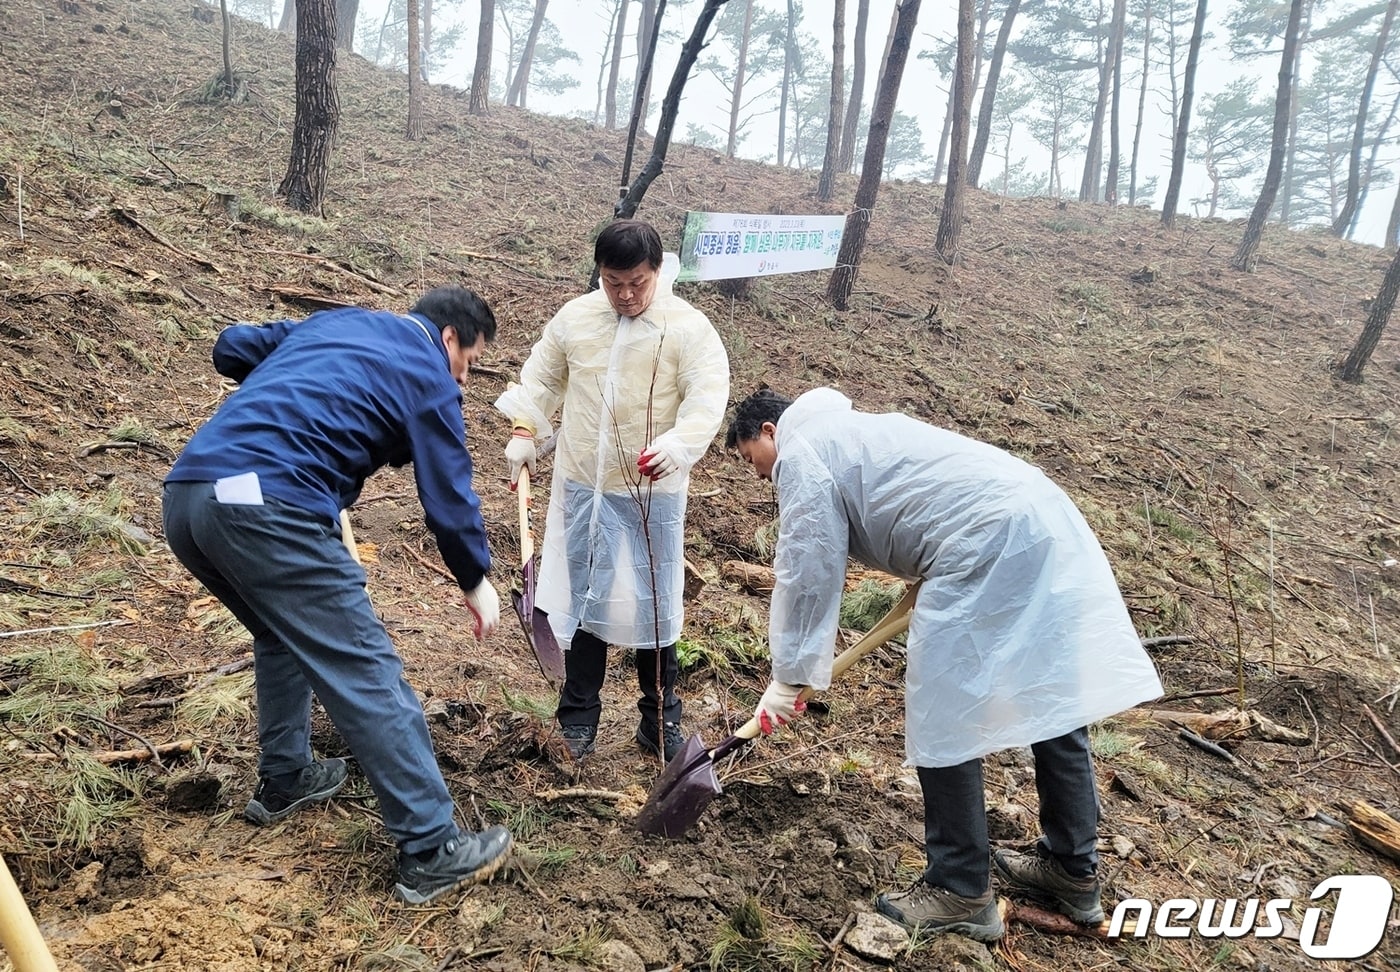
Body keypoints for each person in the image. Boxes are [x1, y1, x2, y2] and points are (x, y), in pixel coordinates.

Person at [726, 387, 1163, 941]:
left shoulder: (802, 450)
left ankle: (959, 887)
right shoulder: (854, 434)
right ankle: (1071, 868)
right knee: (1049, 694)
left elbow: (808, 570)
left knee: (944, 709)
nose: (760, 476)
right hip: (1038, 518)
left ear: (769, 431)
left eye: (751, 460)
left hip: (985, 543)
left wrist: (788, 676)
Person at [162, 287, 513, 905]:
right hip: (271, 506)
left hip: (189, 497)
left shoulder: (342, 325)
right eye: (470, 363)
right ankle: (430, 847)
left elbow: (232, 346)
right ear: (451, 338)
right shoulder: (427, 368)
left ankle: (287, 775)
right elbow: (449, 491)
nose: (464, 379)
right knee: (365, 667)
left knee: (278, 633)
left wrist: (304, 369)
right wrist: (475, 578)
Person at [496, 219, 729, 763]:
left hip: (651, 494)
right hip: (583, 485)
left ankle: (660, 718)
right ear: (599, 273)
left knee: (654, 604)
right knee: (584, 602)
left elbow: (706, 396)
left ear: (656, 272)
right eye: (613, 281)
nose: (625, 295)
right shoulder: (577, 319)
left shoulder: (686, 328)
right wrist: (526, 431)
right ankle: (577, 719)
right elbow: (542, 380)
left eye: (637, 283)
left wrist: (679, 444)